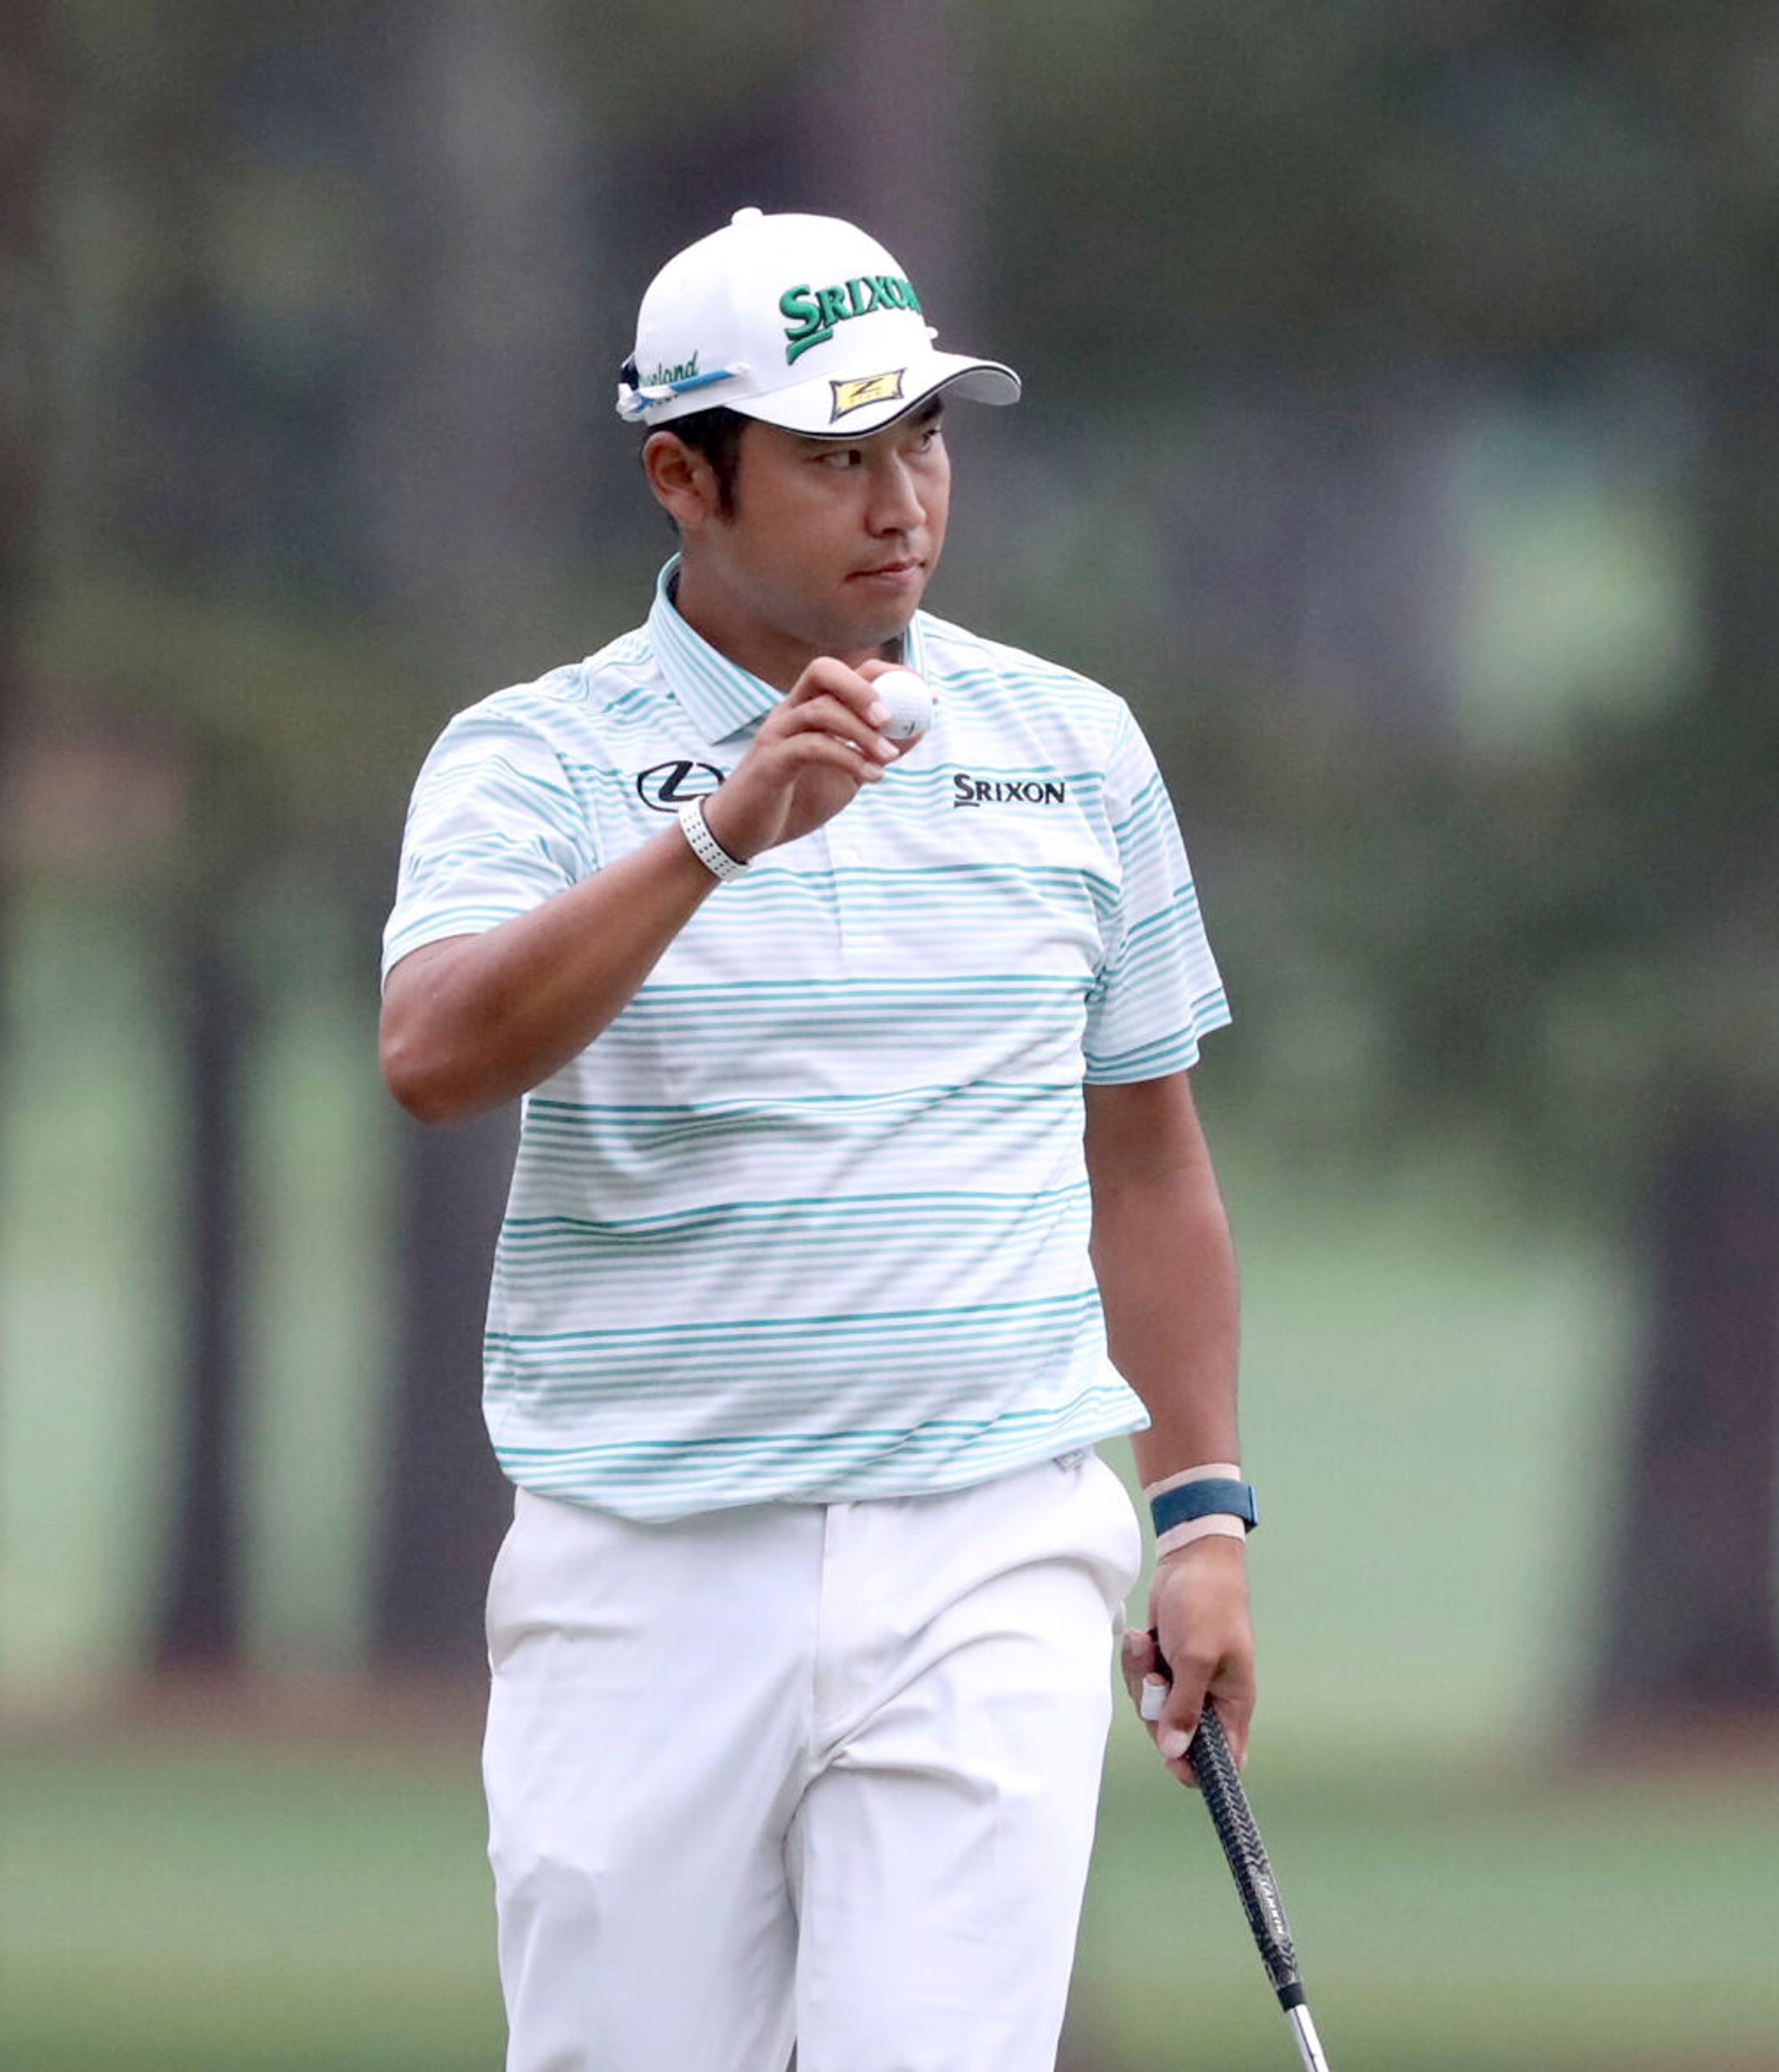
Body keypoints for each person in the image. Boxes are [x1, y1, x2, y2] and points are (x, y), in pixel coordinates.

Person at [375, 206, 1259, 2070]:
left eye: (923, 440)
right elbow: (435, 1053)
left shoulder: (1072, 744)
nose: (903, 503)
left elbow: (1151, 1161)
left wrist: (1200, 1520)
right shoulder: (531, 757)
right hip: (648, 1554)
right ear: (680, 476)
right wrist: (712, 843)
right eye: (837, 456)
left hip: (988, 1539)